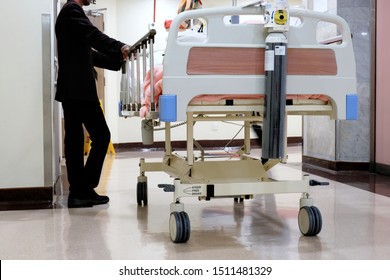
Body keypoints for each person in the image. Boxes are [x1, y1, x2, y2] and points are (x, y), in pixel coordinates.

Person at [55, 0, 130, 207]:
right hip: (78, 90)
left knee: (75, 140)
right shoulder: (72, 10)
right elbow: (93, 36)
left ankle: (79, 192)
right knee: (101, 135)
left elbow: (88, 54)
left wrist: (117, 60)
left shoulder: (69, 13)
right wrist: (120, 46)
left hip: (72, 89)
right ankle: (84, 188)